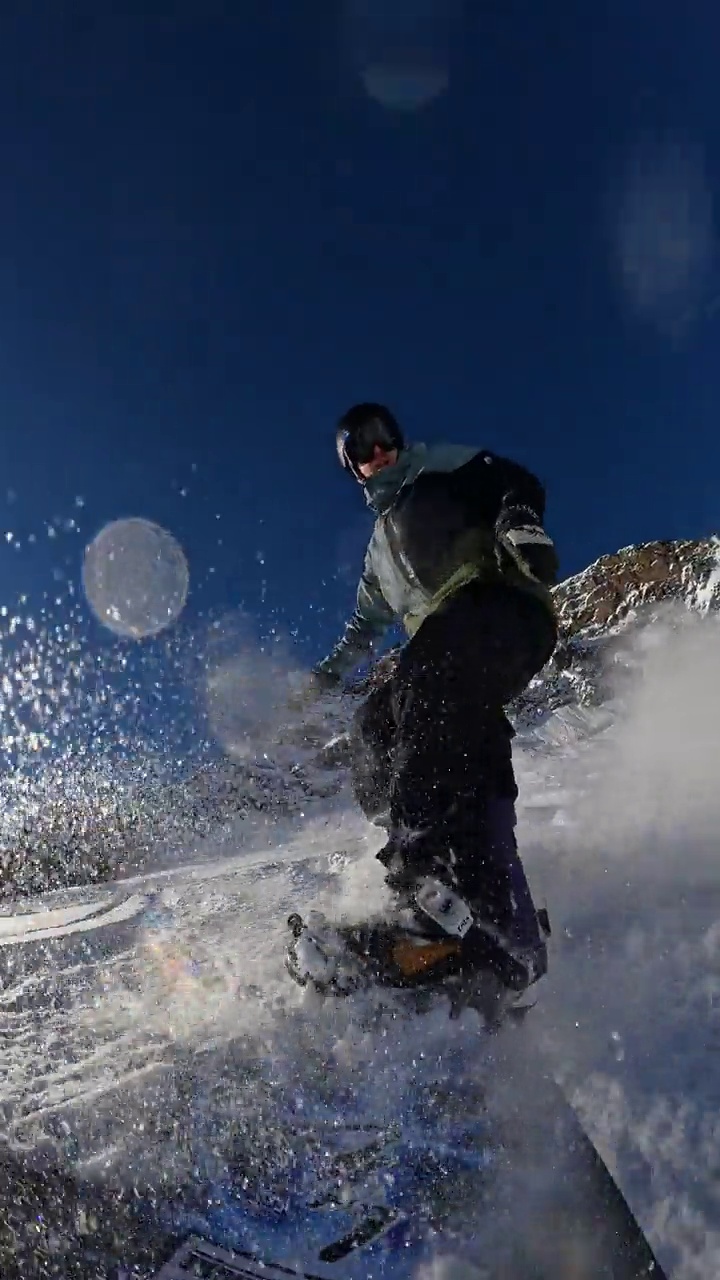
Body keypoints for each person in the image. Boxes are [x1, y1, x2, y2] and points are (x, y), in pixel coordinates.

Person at [301, 402, 558, 997]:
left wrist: (518, 519)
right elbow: (361, 634)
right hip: (450, 657)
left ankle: (426, 873)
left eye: (383, 436)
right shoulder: (376, 558)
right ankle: (478, 908)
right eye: (360, 448)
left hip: (503, 606)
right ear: (353, 468)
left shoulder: (436, 468)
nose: (378, 450)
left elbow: (513, 480)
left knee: (426, 674)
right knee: (375, 725)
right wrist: (319, 682)